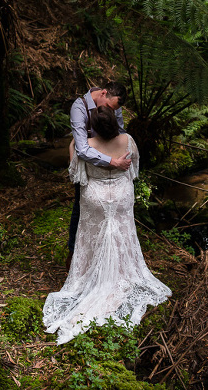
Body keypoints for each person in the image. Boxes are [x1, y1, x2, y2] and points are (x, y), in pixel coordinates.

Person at [43, 106, 172, 344]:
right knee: (122, 232)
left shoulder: (84, 146)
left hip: (96, 198)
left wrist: (74, 145)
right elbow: (133, 171)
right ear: (114, 122)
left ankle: (92, 278)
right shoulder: (128, 140)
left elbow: (76, 175)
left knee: (92, 235)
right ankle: (121, 273)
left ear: (92, 125)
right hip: (121, 195)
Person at [66, 82, 131, 270]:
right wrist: (113, 162)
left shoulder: (114, 106)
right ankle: (74, 253)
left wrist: (118, 152)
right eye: (111, 108)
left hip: (109, 161)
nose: (112, 112)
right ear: (103, 93)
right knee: (80, 207)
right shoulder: (79, 108)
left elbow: (120, 131)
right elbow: (82, 148)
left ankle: (106, 257)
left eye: (115, 110)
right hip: (89, 165)